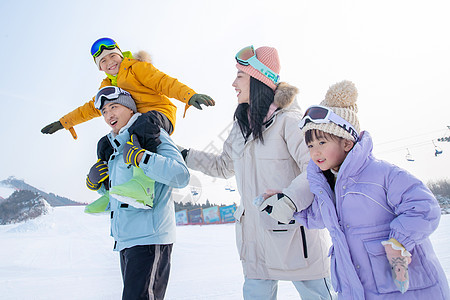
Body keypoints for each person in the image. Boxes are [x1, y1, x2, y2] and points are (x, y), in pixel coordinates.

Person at [264, 80, 449, 299]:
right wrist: (287, 209)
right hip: (358, 289)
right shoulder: (327, 185)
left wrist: (398, 242)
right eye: (311, 145)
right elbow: (320, 216)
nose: (314, 152)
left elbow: (424, 207)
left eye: (322, 142)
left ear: (347, 143)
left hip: (406, 290)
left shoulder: (383, 174)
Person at [179, 45, 335, 299]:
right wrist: (184, 154)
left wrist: (289, 199)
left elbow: (316, 168)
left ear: (258, 79)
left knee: (316, 294)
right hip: (254, 238)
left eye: (239, 76)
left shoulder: (289, 121)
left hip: (294, 235)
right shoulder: (241, 128)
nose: (233, 83)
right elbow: (223, 165)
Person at [85, 86, 190, 300]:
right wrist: (96, 184)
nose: (108, 115)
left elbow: (181, 176)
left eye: (114, 107)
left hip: (150, 239)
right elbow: (121, 194)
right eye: (104, 111)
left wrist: (143, 158)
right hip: (125, 240)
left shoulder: (152, 133)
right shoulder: (113, 148)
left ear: (130, 109)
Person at [41, 37, 214, 139]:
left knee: (141, 126)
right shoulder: (107, 87)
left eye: (112, 56)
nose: (110, 62)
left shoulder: (136, 68)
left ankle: (144, 177)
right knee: (107, 142)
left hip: (158, 115)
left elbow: (164, 82)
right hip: (135, 122)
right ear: (100, 68)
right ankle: (112, 188)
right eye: (103, 61)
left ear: (120, 54)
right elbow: (90, 109)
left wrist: (189, 96)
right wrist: (63, 123)